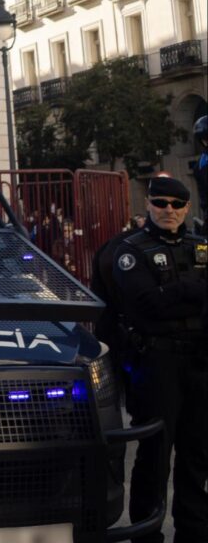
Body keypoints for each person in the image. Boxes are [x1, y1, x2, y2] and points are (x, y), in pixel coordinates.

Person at [94, 175, 206, 543]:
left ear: (187, 208)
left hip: (199, 361)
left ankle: (192, 531)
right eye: (161, 204)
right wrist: (194, 289)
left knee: (196, 452)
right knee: (155, 452)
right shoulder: (130, 250)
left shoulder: (200, 245)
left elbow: (163, 299)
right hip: (156, 362)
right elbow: (146, 304)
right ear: (148, 205)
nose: (169, 211)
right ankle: (147, 533)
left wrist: (173, 294)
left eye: (176, 205)